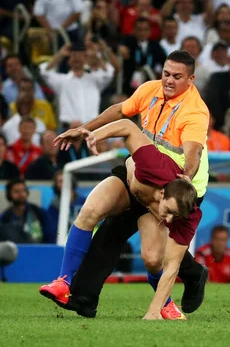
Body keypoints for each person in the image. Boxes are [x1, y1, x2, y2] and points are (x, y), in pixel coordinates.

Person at [44, 50, 210, 318]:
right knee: (94, 212)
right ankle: (72, 288)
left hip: (176, 183)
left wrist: (186, 177)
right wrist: (87, 130)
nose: (168, 81)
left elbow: (193, 152)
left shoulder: (195, 111)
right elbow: (121, 112)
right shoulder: (150, 90)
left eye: (176, 77)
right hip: (144, 168)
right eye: (166, 73)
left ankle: (191, 276)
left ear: (190, 79)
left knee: (154, 258)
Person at [40, 118, 200, 319]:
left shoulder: (188, 215)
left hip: (146, 204)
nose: (168, 219)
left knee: (152, 259)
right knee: (89, 211)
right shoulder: (152, 164)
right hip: (127, 182)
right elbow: (127, 126)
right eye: (168, 211)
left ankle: (166, 305)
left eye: (173, 216)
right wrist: (94, 135)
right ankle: (63, 281)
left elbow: (172, 267)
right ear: (161, 193)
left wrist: (153, 311)